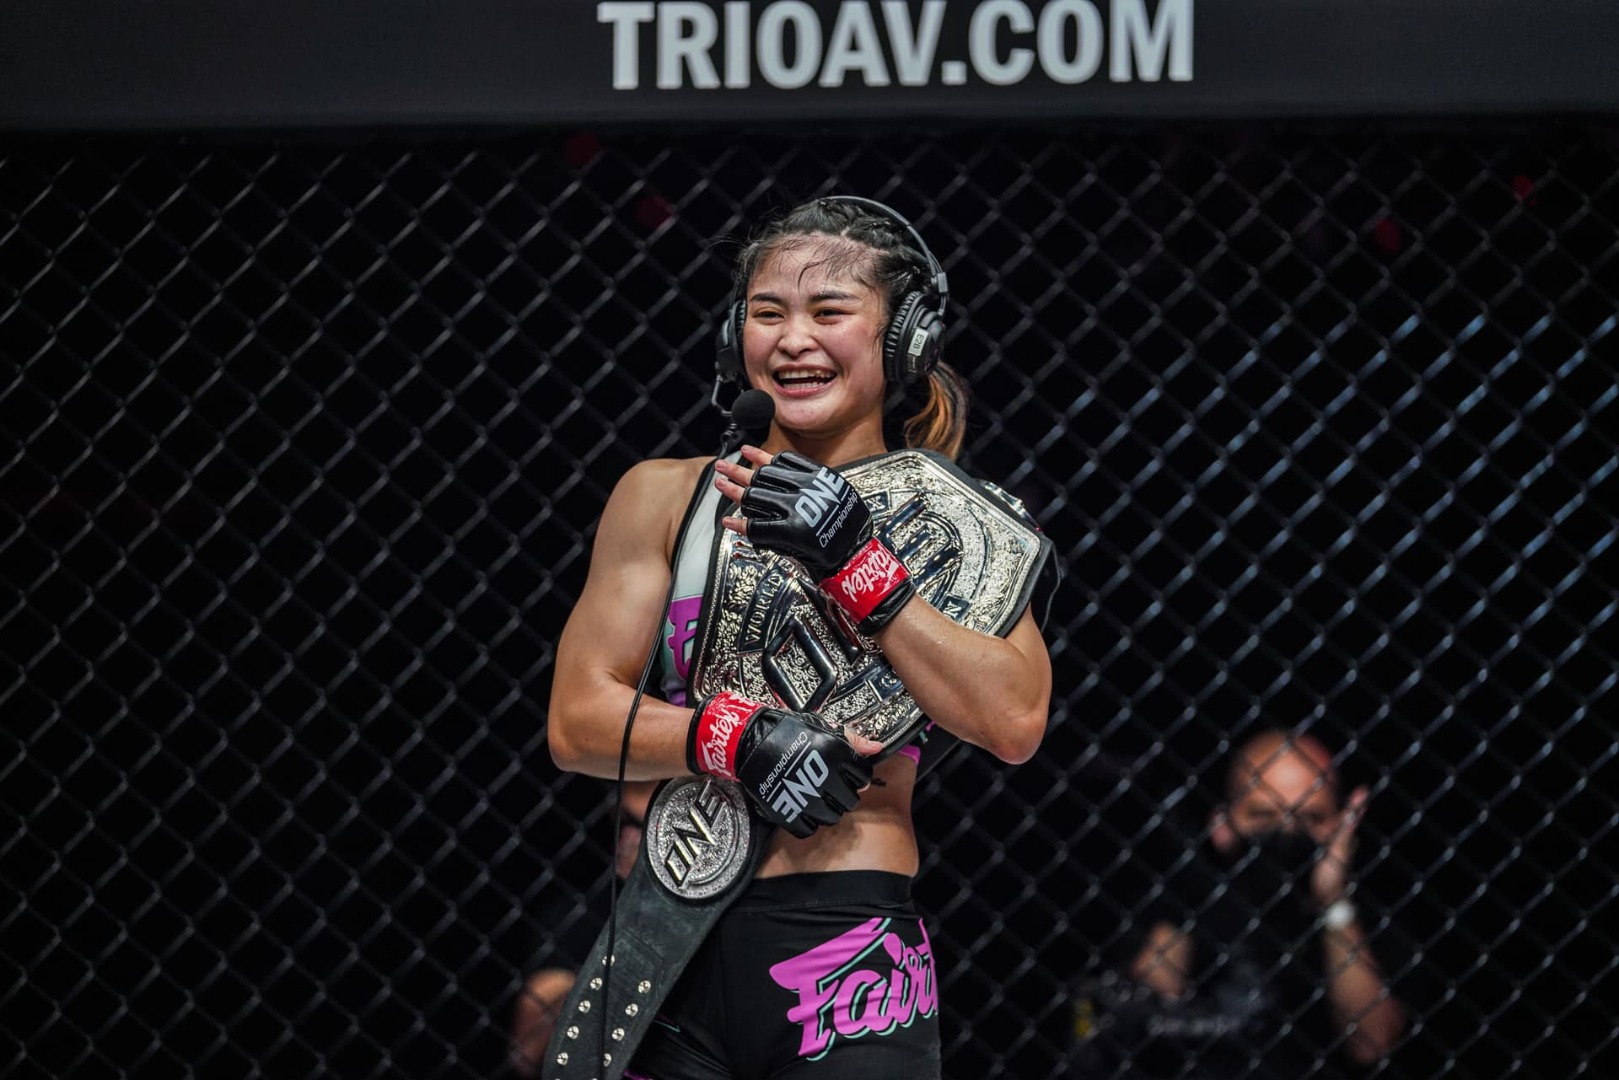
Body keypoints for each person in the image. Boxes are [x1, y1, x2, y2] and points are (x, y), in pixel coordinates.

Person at [546, 196, 1054, 1078]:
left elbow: (1012, 721)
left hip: (844, 939)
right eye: (767, 312)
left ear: (902, 341)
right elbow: (576, 723)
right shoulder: (664, 497)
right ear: (732, 333)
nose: (792, 340)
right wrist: (738, 738)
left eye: (829, 311)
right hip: (668, 929)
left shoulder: (958, 527)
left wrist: (862, 567)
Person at [1113, 729, 1408, 1079]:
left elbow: (1372, 1044)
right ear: (1223, 824)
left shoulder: (1370, 913)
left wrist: (1334, 902)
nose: (1286, 831)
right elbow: (1144, 1018)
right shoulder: (1186, 898)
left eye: (1309, 818)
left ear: (1340, 823)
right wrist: (1191, 892)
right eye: (1264, 816)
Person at [509, 780, 658, 1078]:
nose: (627, 837)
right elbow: (527, 1048)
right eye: (621, 820)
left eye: (642, 825)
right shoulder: (581, 913)